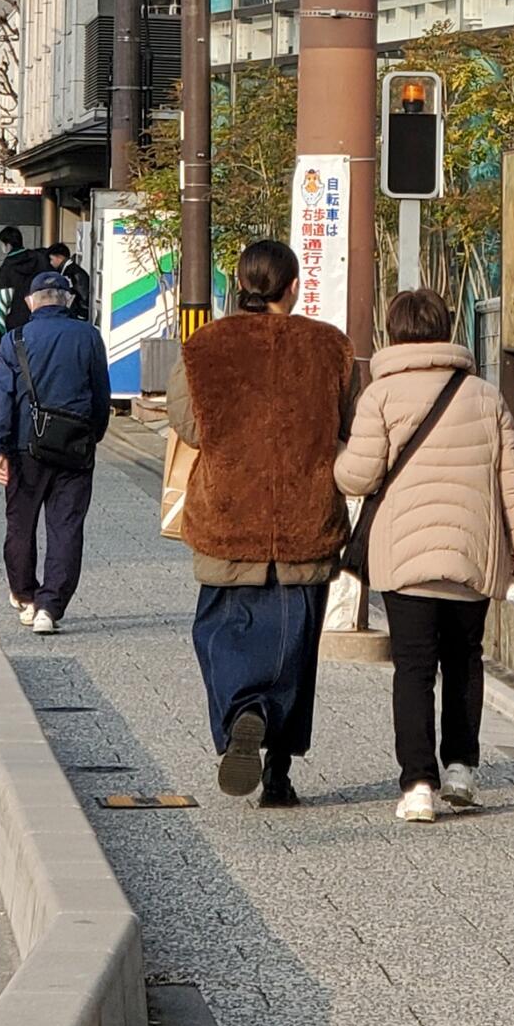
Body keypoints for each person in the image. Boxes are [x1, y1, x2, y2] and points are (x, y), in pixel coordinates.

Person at [335, 287, 514, 823]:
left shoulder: (380, 396)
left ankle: (417, 786)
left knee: (412, 670)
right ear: (446, 326)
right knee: (464, 660)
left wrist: (336, 457)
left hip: (404, 560)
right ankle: (460, 767)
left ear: (393, 332)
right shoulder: (483, 396)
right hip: (472, 557)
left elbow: (358, 476)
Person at [169, 239, 353, 808]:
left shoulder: (204, 347)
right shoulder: (330, 348)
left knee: (222, 631)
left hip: (227, 516)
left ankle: (242, 712)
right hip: (305, 519)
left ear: (241, 283)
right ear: (293, 287)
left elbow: (189, 425)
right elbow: (348, 427)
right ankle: (278, 773)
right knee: (294, 648)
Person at [0, 270, 111, 635]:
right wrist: (94, 436)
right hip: (75, 448)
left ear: (30, 302)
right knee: (66, 528)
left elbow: (2, 400)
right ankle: (49, 608)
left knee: (20, 524)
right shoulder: (89, 337)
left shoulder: (15, 339)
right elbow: (101, 394)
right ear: (68, 300)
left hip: (26, 447)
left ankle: (24, 595)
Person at [0, 225, 40, 340]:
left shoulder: (7, 268)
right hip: (38, 321)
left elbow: (2, 301)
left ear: (8, 245)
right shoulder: (39, 259)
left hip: (14, 325)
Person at [45, 242, 92, 322]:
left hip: (78, 315)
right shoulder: (70, 271)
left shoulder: (73, 273)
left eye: (52, 259)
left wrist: (81, 314)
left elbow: (83, 295)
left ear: (59, 257)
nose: (51, 263)